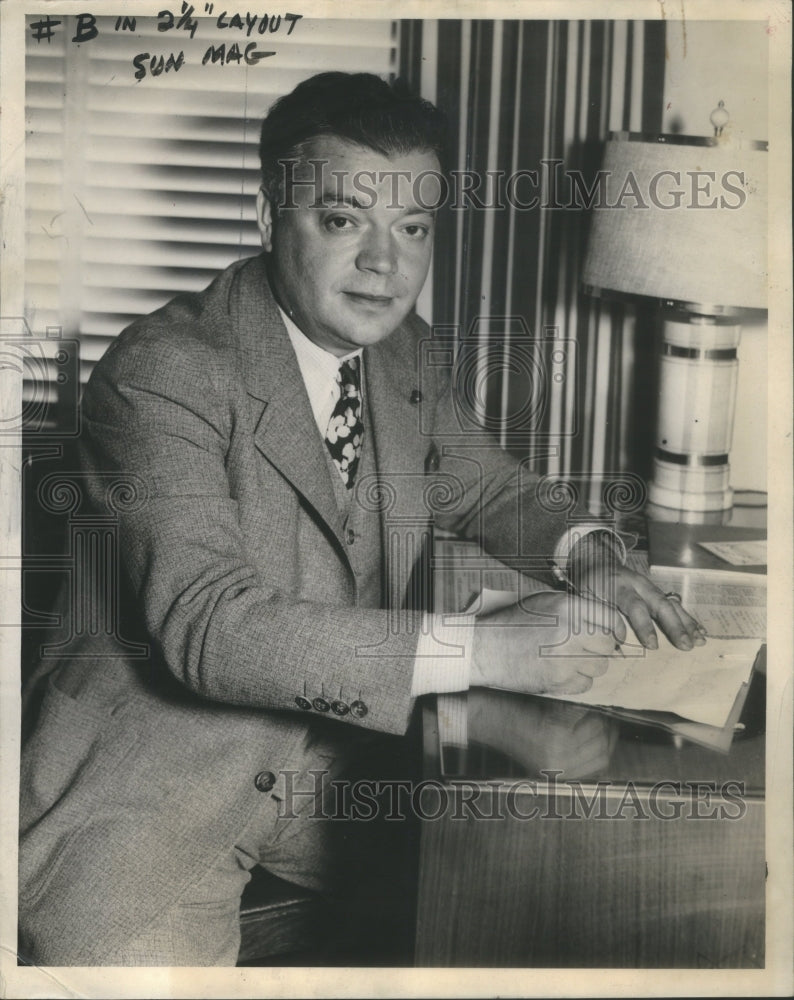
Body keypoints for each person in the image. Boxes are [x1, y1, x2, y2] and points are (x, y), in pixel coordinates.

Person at [18, 72, 704, 966]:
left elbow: (488, 485)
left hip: (332, 765)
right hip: (150, 786)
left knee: (541, 896)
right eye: (343, 221)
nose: (386, 264)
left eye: (413, 228)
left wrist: (591, 554)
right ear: (271, 218)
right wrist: (491, 652)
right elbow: (211, 631)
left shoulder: (401, 352)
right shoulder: (165, 370)